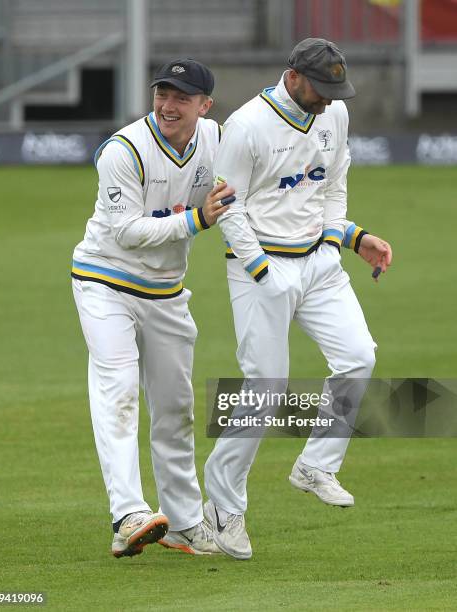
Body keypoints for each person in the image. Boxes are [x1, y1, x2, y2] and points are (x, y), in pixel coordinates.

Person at [203, 38, 392, 559]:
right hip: (257, 266)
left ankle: (316, 466)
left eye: (337, 89)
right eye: (322, 89)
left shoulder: (334, 116)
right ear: (293, 77)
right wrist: (264, 270)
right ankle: (222, 507)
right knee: (266, 387)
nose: (330, 100)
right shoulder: (246, 126)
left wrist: (344, 241)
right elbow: (227, 209)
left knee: (359, 356)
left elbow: (334, 184)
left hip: (318, 261)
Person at [71, 58, 234, 558]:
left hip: (165, 291)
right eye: (162, 93)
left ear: (204, 106)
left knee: (175, 408)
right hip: (105, 280)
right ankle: (128, 514)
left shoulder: (218, 141)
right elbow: (127, 232)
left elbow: (243, 198)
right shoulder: (123, 150)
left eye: (181, 97)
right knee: (118, 391)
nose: (167, 105)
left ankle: (185, 522)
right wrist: (196, 222)